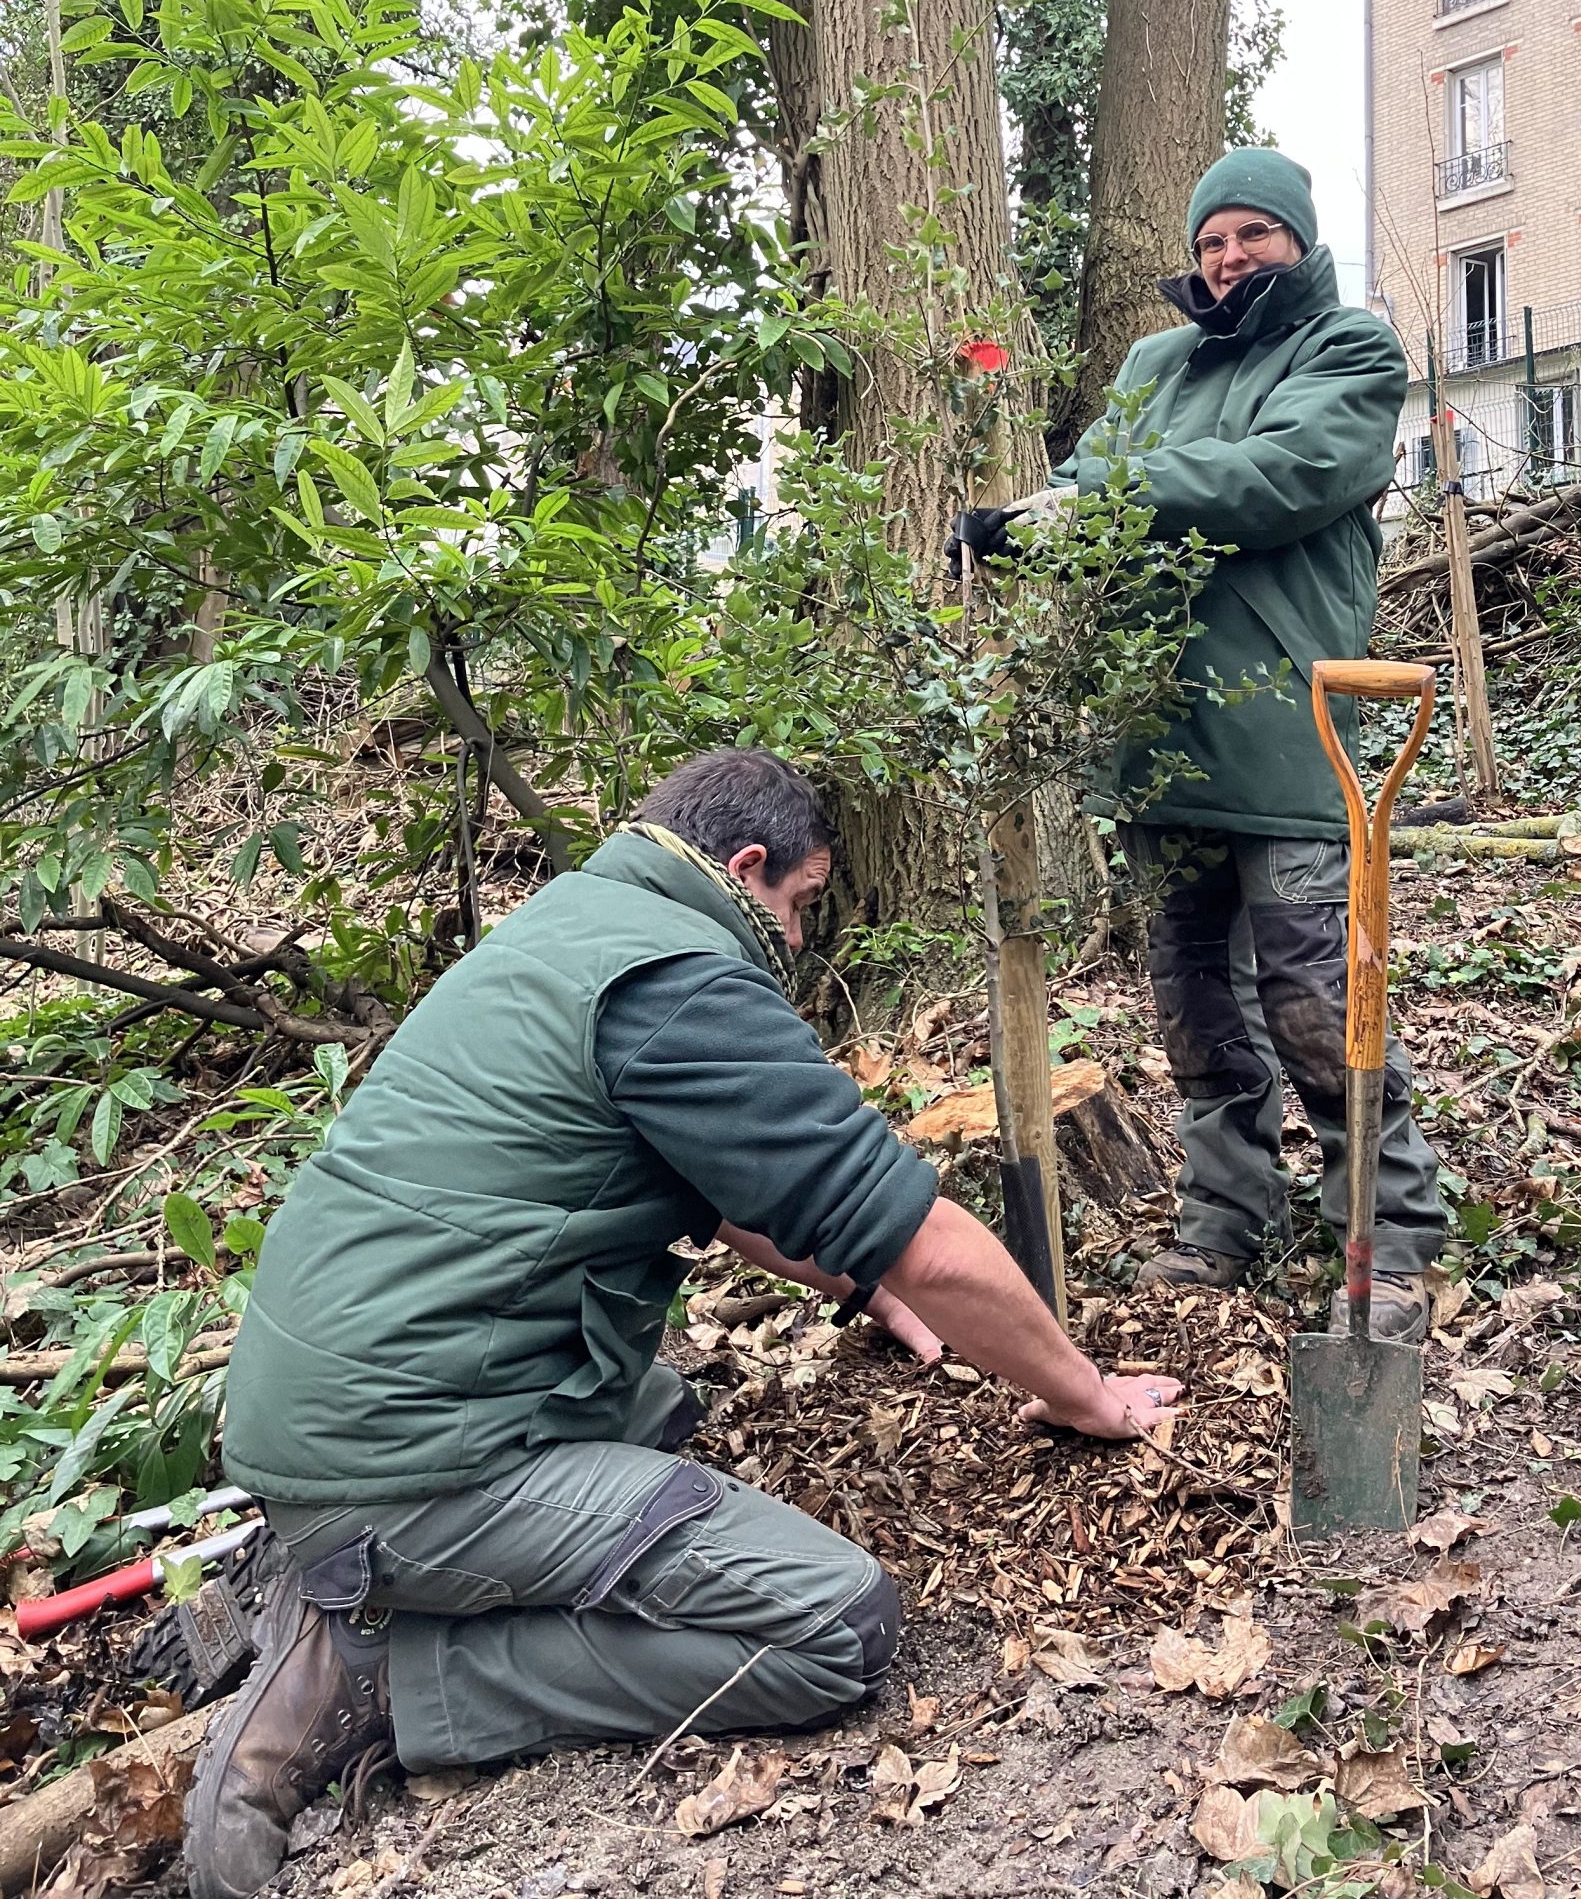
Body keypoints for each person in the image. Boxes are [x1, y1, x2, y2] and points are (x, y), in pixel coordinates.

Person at [185, 750, 1180, 1899]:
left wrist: (866, 1285)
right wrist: (1084, 1393)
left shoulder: (576, 925)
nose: (797, 939)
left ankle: (377, 1577)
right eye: (801, 903)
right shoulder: (680, 980)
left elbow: (729, 1187)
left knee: (654, 1408)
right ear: (746, 866)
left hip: (333, 1415)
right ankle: (393, 1675)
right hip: (399, 1465)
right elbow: (934, 1240)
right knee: (834, 1625)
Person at [956, 148, 1444, 1333]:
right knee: (1193, 1006)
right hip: (1158, 739)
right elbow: (1088, 478)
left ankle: (1388, 1231)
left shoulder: (1349, 349)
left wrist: (1107, 499)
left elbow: (1280, 474)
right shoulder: (1153, 363)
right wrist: (1029, 523)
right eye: (1212, 239)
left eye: (1253, 233)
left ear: (1297, 239)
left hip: (1290, 736)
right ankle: (1225, 1216)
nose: (1229, 257)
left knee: (1316, 997)